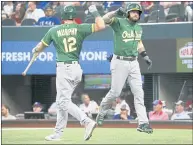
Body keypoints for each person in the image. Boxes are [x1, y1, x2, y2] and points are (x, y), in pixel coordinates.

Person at [29, 5, 105, 141]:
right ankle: (58, 133)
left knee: (63, 102)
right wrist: (94, 11)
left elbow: (40, 47)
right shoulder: (80, 27)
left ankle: (86, 121)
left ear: (62, 18)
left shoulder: (54, 30)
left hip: (64, 69)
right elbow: (101, 25)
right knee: (61, 101)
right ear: (74, 16)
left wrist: (36, 50)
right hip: (76, 69)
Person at [96, 3, 153, 134]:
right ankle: (102, 111)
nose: (136, 14)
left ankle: (143, 123)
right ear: (127, 13)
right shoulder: (119, 22)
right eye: (133, 12)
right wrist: (116, 12)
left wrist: (144, 55)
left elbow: (138, 41)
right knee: (115, 93)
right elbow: (102, 20)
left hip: (134, 62)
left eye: (138, 12)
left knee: (139, 93)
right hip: (119, 61)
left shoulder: (138, 27)